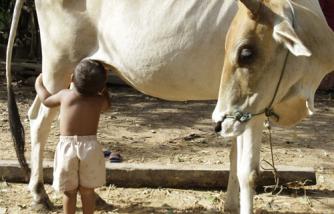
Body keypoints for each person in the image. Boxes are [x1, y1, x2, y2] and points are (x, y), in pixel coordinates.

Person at [35, 59, 110, 214]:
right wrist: (104, 87)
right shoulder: (99, 101)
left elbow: (47, 100)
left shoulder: (65, 96)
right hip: (90, 149)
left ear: (71, 79)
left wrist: (39, 83)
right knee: (88, 192)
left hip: (67, 149)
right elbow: (108, 103)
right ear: (101, 85)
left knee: (69, 192)